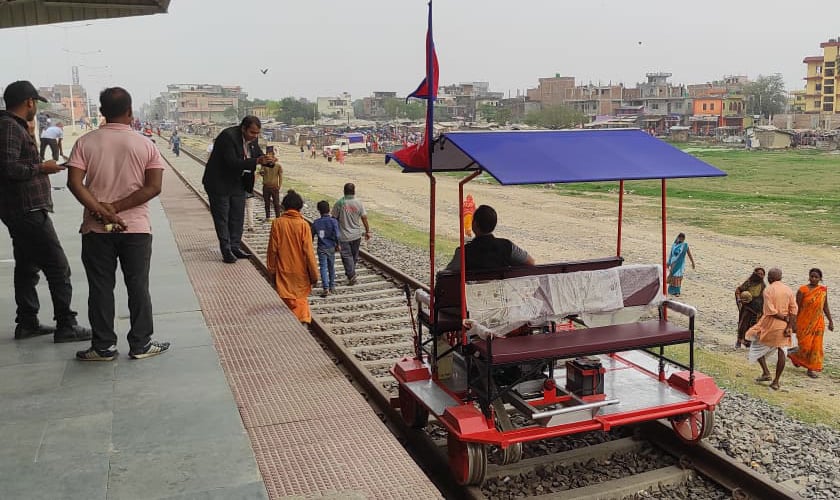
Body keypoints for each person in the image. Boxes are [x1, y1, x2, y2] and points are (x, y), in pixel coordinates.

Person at [66, 87, 170, 360]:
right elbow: (154, 187)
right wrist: (117, 209)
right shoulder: (145, 144)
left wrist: (102, 210)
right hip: (136, 228)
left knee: (100, 287)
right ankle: (141, 344)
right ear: (130, 111)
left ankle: (103, 347)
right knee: (138, 286)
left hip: (95, 229)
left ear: (101, 112)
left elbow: (74, 183)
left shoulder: (85, 143)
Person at [0, 80, 91, 343]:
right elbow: (7, 168)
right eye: (35, 103)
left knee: (27, 266)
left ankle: (27, 322)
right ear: (29, 102)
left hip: (22, 209)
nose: (35, 108)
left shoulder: (12, 126)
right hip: (26, 209)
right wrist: (43, 169)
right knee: (57, 265)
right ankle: (66, 324)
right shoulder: (8, 127)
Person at [202, 116, 270, 263]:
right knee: (223, 218)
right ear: (243, 128)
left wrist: (268, 161)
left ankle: (235, 246)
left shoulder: (253, 140)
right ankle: (226, 250)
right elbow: (232, 162)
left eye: (257, 133)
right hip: (218, 183)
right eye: (252, 132)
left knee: (237, 216)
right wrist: (257, 161)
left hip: (238, 182)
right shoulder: (228, 137)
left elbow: (258, 155)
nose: (255, 136)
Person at [266, 190, 319, 323]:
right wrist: (314, 274)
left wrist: (271, 270)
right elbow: (308, 252)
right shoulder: (303, 225)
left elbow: (272, 250)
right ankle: (302, 323)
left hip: (283, 270)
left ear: (283, 206)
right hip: (301, 272)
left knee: (287, 299)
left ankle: (294, 324)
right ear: (300, 207)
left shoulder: (277, 223)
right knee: (300, 300)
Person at [746, 268, 798, 391]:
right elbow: (794, 310)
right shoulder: (788, 290)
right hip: (785, 326)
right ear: (780, 277)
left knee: (755, 345)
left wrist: (784, 318)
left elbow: (770, 311)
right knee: (782, 351)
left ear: (770, 278)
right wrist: (789, 325)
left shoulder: (768, 290)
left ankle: (766, 372)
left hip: (770, 324)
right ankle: (776, 381)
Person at [446, 204, 535, 271]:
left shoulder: (463, 252)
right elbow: (530, 262)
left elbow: (447, 276)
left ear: (475, 225)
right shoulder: (507, 246)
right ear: (494, 224)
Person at [789, 268, 834, 379]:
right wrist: (793, 322)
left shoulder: (823, 290)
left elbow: (825, 306)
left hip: (818, 322)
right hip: (803, 322)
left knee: (815, 346)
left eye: (816, 277)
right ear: (809, 277)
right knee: (804, 345)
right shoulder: (802, 290)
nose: (813, 279)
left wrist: (830, 321)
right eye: (812, 276)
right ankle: (794, 356)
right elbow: (796, 307)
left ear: (820, 279)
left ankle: (810, 368)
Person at [332, 183, 370, 285]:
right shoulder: (359, 203)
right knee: (354, 256)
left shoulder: (339, 203)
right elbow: (364, 218)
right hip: (356, 235)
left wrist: (334, 235)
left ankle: (351, 275)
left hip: (344, 235)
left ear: (344, 191)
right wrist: (367, 231)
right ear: (354, 191)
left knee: (347, 256)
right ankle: (351, 273)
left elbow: (334, 219)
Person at [312, 200, 340, 297]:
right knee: (331, 266)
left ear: (319, 210)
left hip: (321, 247)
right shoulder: (334, 221)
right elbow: (337, 235)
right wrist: (338, 244)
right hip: (331, 247)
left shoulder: (316, 223)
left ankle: (325, 288)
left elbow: (311, 236)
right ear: (329, 209)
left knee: (323, 267)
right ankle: (332, 286)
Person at [734, 267, 766, 348]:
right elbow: (738, 290)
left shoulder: (763, 285)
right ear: (755, 274)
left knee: (753, 326)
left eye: (762, 274)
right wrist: (739, 299)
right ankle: (739, 341)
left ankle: (748, 342)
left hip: (757, 309)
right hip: (747, 308)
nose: (761, 276)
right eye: (759, 274)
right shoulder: (748, 283)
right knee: (743, 325)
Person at [666, 232, 695, 296]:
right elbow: (671, 254)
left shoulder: (685, 245)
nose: (681, 239)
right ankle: (671, 291)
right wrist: (668, 262)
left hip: (680, 263)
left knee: (678, 276)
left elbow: (689, 254)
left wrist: (692, 262)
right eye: (680, 238)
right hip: (673, 262)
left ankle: (677, 292)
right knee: (672, 276)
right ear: (678, 238)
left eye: (683, 238)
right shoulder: (674, 245)